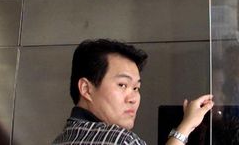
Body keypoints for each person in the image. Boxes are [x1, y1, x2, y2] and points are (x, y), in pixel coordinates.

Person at [53, 39, 214, 145]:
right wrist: (187, 126)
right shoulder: (120, 140)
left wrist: (184, 127)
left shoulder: (60, 140)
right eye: (122, 85)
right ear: (86, 89)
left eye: (136, 88)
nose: (133, 99)